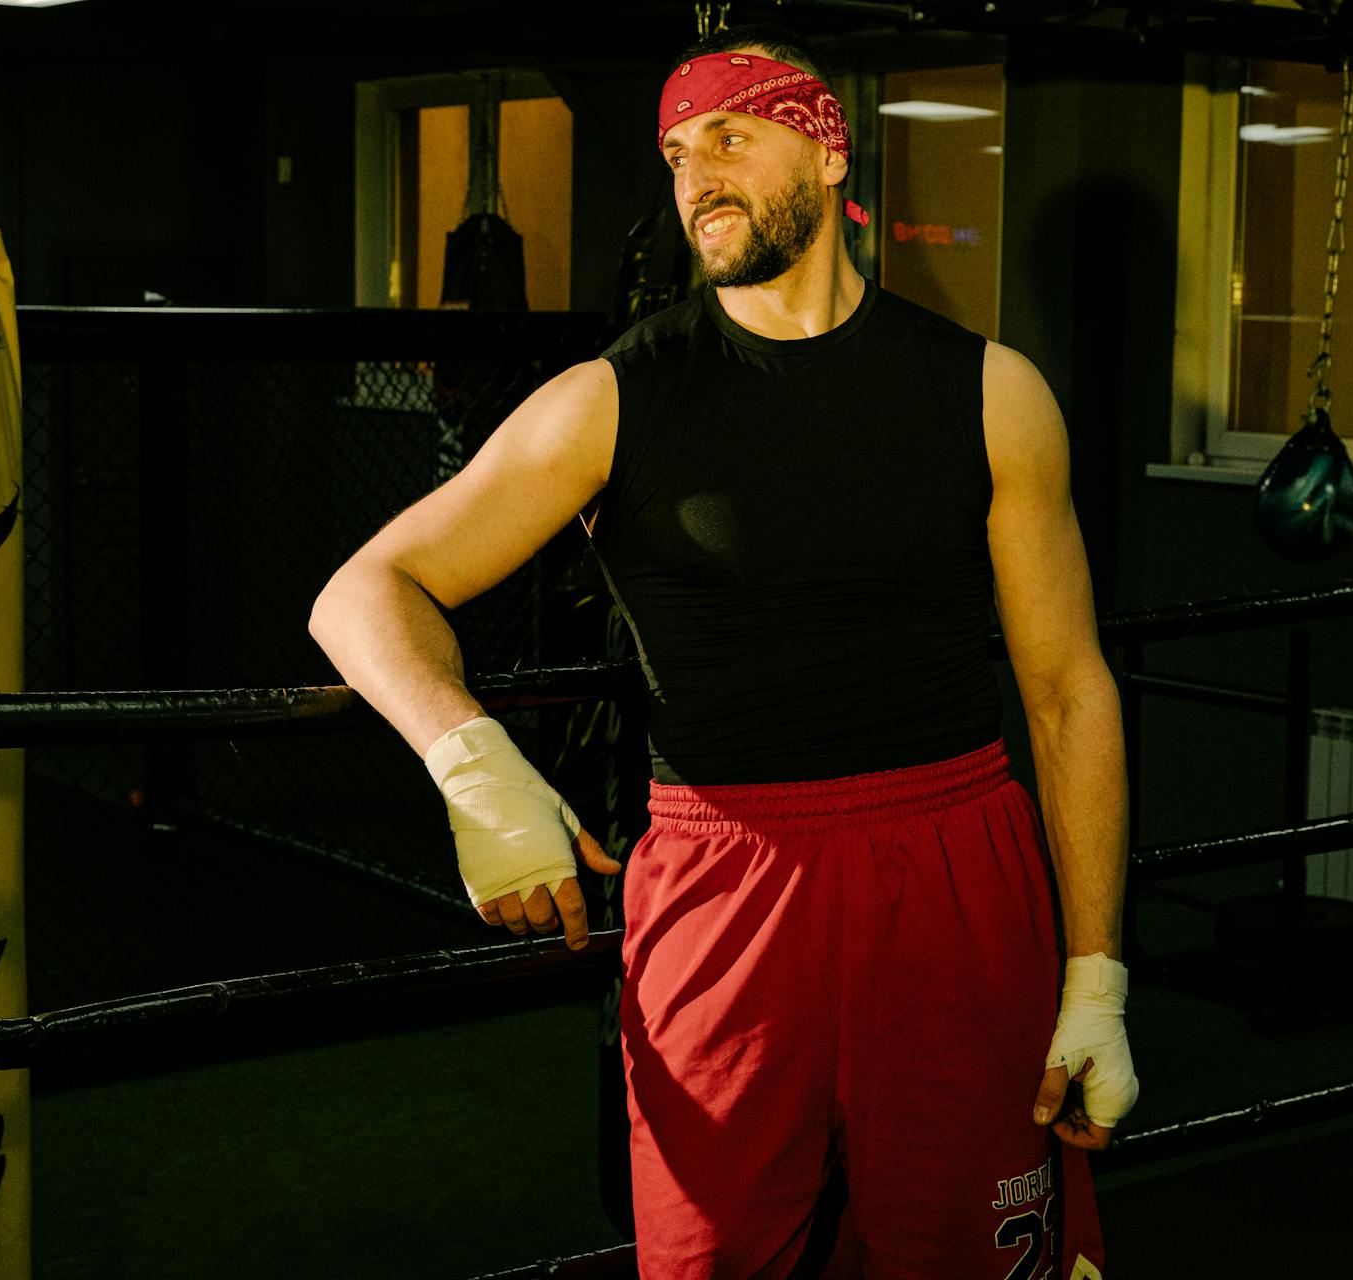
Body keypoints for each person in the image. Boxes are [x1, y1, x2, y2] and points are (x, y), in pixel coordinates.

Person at [309, 23, 1138, 1278]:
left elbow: (1069, 689)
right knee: (710, 1259)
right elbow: (368, 588)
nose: (696, 177)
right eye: (678, 153)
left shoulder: (988, 392)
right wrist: (472, 760)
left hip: (956, 866)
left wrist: (1098, 975)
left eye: (731, 139)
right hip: (723, 878)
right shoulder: (614, 397)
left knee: (975, 1253)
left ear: (825, 147)